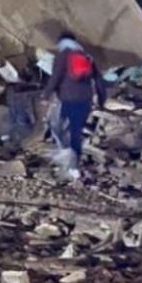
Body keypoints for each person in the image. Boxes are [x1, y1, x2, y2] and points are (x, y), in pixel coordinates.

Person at [43, 33, 106, 176]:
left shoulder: (63, 55)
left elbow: (55, 77)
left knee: (58, 126)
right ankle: (74, 165)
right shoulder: (86, 56)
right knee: (76, 130)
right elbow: (98, 79)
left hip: (68, 97)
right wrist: (102, 99)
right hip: (85, 98)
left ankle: (69, 160)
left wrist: (46, 95)